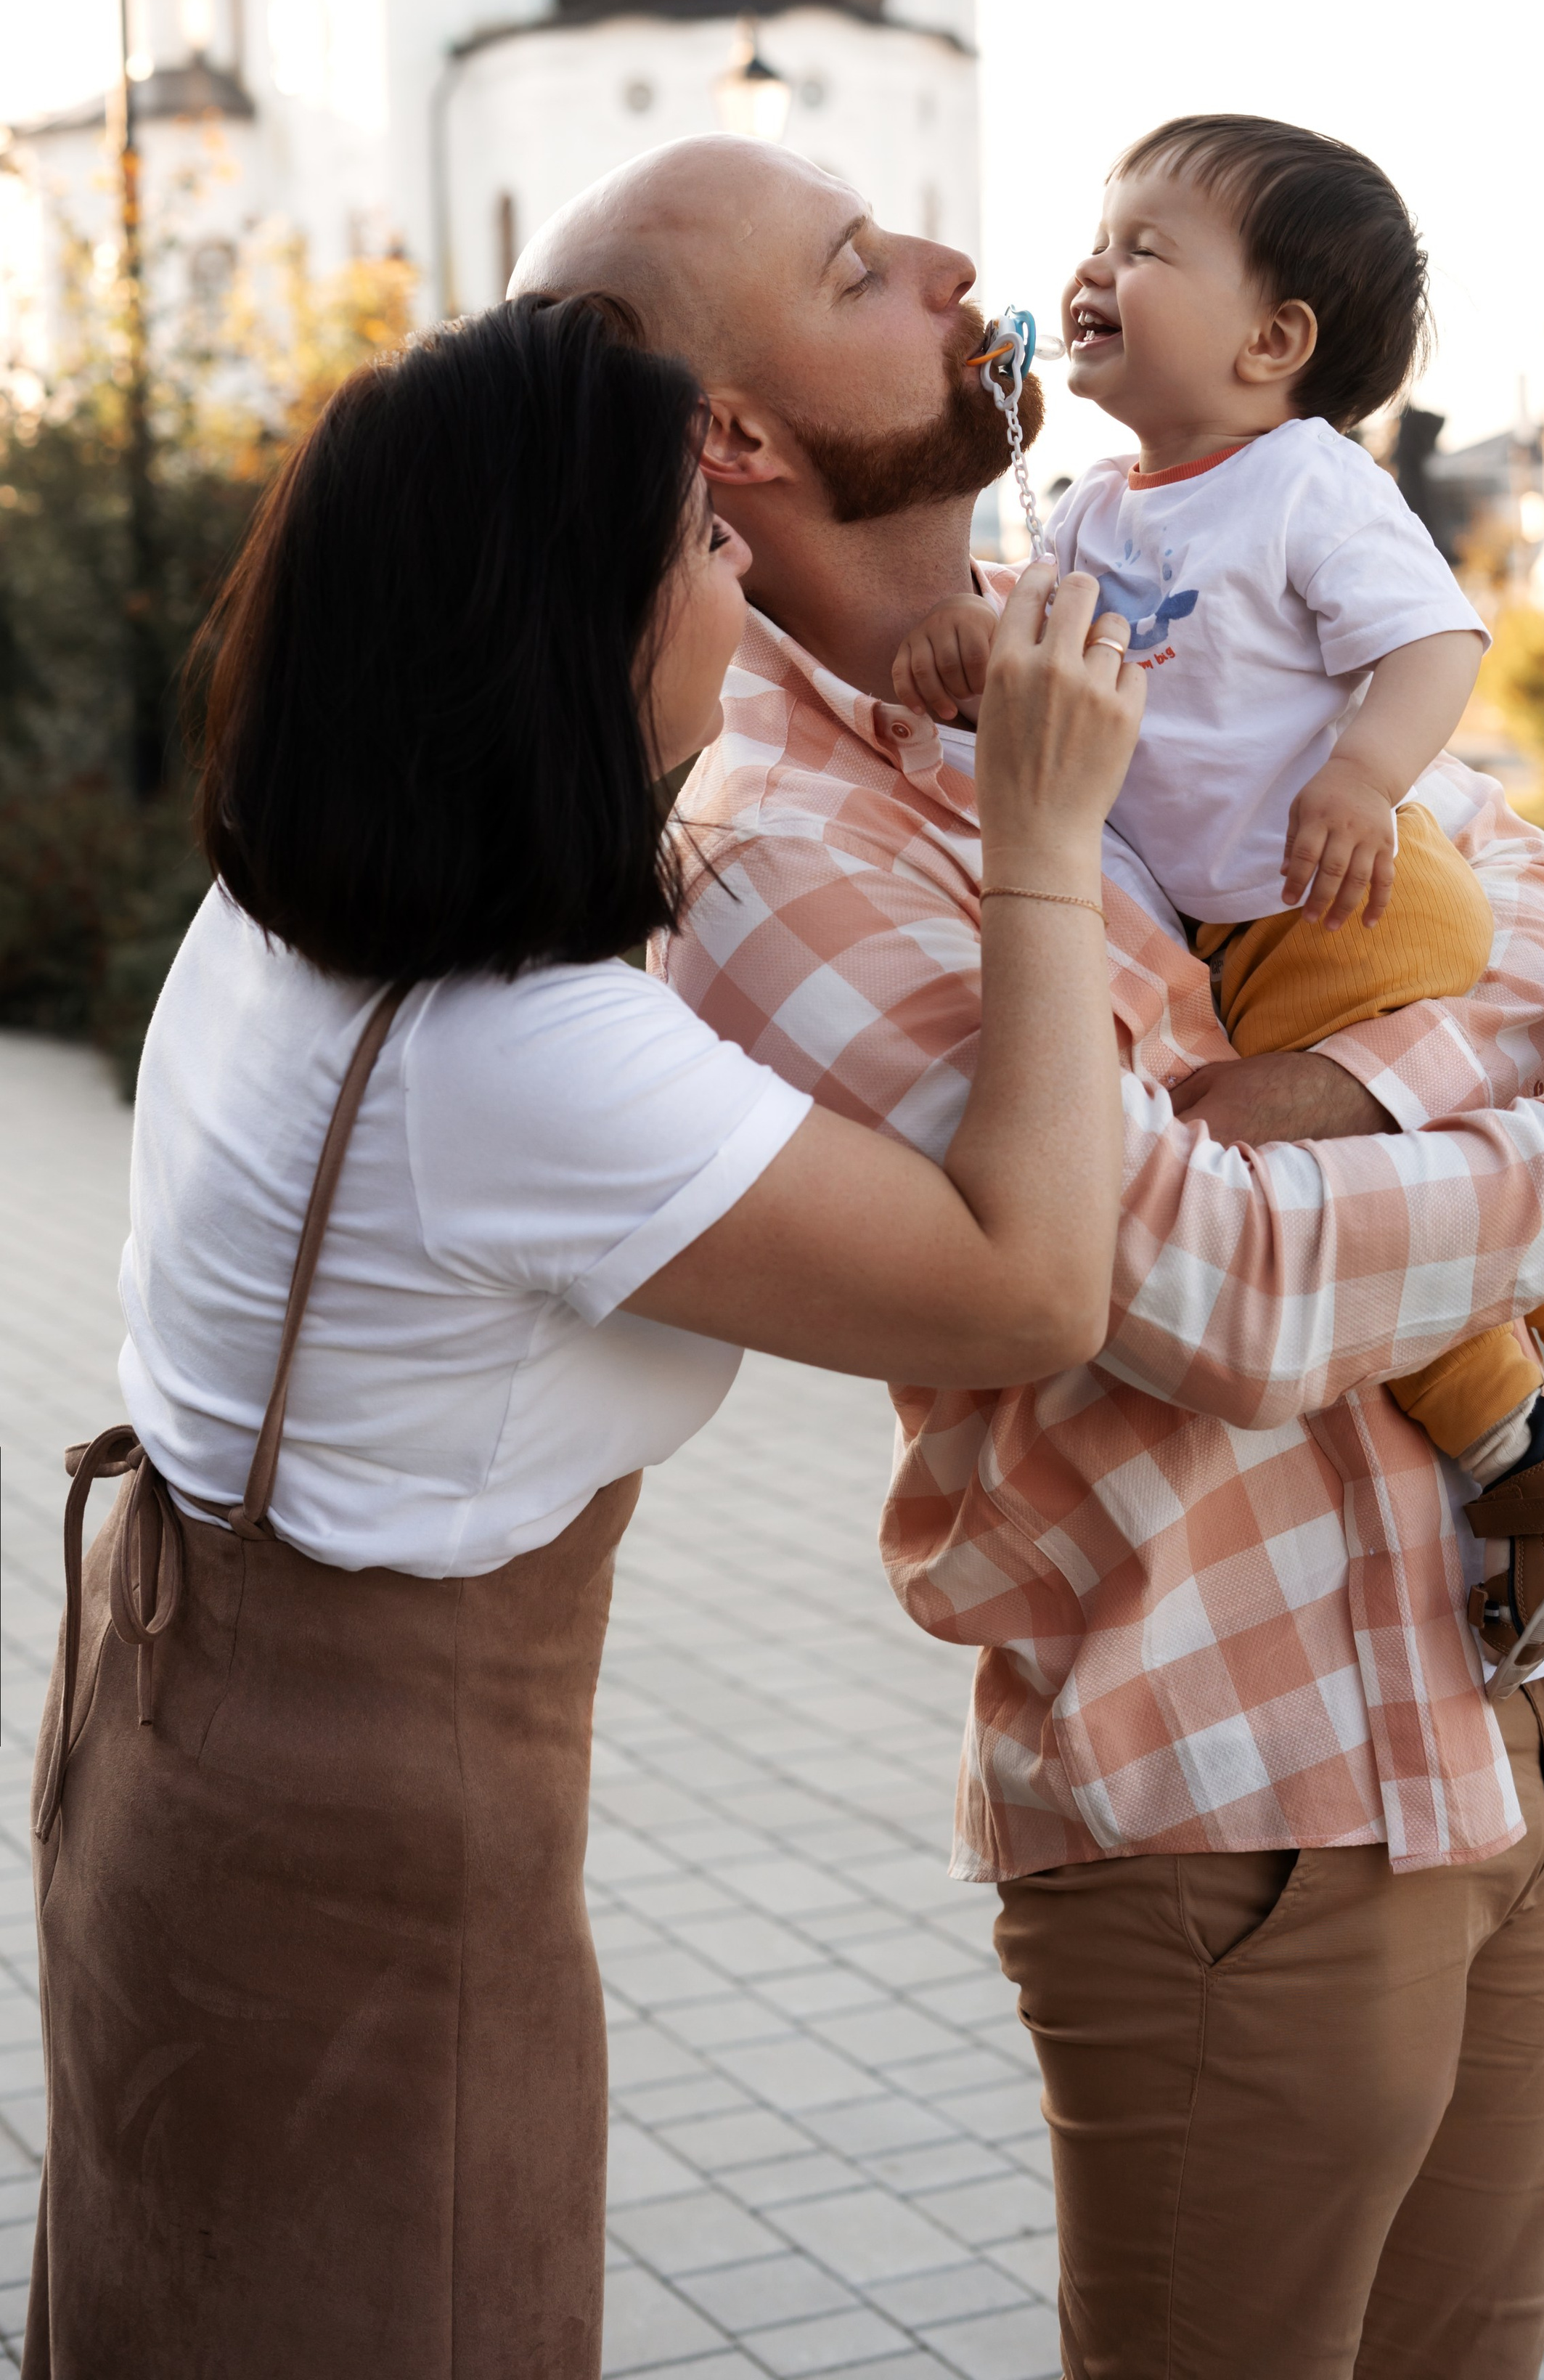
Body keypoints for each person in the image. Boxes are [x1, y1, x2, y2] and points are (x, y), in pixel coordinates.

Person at [512, 139, 1544, 2380]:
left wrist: (1335, 1090)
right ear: (741, 441)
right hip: (1242, 1818)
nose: (974, 262)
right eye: (868, 266)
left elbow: (1513, 880)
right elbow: (1206, 1286)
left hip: (1503, 1712)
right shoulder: (780, 847)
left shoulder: (1111, 595)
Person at [25, 292, 1145, 2378]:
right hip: (361, 1822)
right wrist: (1044, 842)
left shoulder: (301, 899)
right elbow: (1033, 1287)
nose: (746, 581)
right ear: (578, 621)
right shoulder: (527, 1056)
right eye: (705, 550)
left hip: (180, 1706)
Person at [896, 112, 1544, 1700]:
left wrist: (1360, 779)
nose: (1093, 264)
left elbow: (1432, 643)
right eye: (1100, 231)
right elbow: (1055, 654)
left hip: (1352, 900)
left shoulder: (1300, 483)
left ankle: (1525, 1444)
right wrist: (972, 647)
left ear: (1272, 341)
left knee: (1379, 1194)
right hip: (1250, 930)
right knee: (1442, 1172)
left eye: (1146, 247)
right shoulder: (1090, 510)